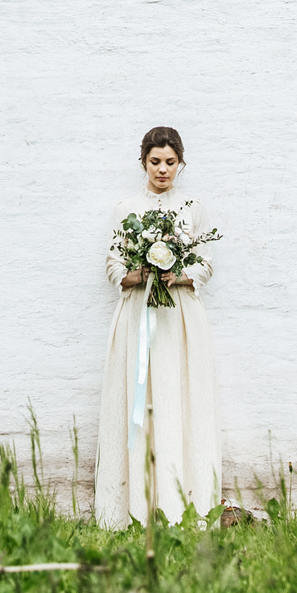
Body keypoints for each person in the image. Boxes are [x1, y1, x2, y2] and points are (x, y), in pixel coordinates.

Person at [95, 126, 221, 527]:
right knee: (140, 398)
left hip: (177, 316)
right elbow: (113, 265)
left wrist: (178, 275)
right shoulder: (126, 208)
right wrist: (139, 272)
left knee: (177, 396)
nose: (162, 170)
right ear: (143, 162)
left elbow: (205, 263)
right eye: (155, 162)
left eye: (170, 162)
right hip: (139, 315)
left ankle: (183, 502)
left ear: (180, 163)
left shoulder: (194, 208)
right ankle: (133, 507)